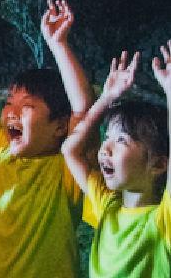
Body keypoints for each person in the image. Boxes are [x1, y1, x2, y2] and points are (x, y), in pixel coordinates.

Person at [0, 0, 94, 277]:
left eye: (28, 106)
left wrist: (59, 45)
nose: (11, 112)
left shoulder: (68, 167)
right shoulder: (0, 151)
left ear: (60, 127)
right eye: (9, 102)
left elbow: (83, 109)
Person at [62, 46, 171, 276]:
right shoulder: (108, 206)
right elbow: (70, 150)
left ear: (159, 165)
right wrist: (107, 97)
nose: (105, 148)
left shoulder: (163, 221)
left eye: (122, 140)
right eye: (107, 137)